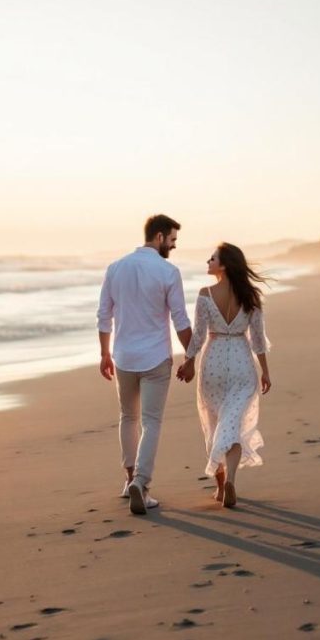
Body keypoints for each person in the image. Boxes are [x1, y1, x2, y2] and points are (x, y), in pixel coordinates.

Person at [97, 214, 192, 515]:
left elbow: (103, 315)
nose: (173, 247)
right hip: (155, 358)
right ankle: (142, 483)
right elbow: (180, 319)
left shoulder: (116, 268)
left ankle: (129, 481)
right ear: (160, 237)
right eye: (173, 240)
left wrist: (104, 353)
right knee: (151, 422)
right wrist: (191, 356)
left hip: (123, 356)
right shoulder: (168, 272)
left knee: (128, 417)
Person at [176, 243, 271, 508]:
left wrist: (188, 362)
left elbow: (197, 336)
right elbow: (258, 340)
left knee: (215, 422)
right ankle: (230, 480)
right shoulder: (251, 296)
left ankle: (220, 488)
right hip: (242, 362)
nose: (208, 261)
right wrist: (265, 372)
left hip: (213, 362)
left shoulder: (206, 294)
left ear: (225, 264)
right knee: (235, 427)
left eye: (213, 258)